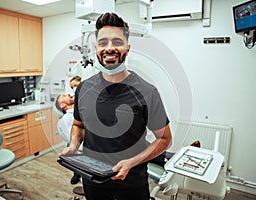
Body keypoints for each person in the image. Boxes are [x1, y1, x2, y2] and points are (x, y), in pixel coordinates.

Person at [60, 12, 172, 200]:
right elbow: (78, 125)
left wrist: (131, 162)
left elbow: (165, 140)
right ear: (96, 47)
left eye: (117, 42)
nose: (109, 48)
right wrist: (73, 145)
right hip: (92, 180)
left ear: (127, 47)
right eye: (103, 43)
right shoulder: (83, 89)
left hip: (131, 184)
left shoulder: (147, 92)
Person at [56, 76, 82, 185]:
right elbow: (73, 141)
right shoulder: (66, 119)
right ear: (62, 104)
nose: (70, 93)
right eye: (64, 95)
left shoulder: (81, 106)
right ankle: (77, 173)